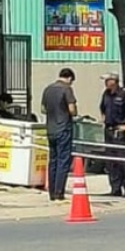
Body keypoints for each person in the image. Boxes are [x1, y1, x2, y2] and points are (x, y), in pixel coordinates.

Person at [41, 68, 79, 202]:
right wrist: (73, 113)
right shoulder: (66, 89)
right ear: (70, 78)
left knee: (53, 160)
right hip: (63, 129)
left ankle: (52, 192)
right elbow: (72, 109)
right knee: (63, 161)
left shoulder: (48, 89)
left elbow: (43, 109)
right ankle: (59, 192)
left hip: (50, 129)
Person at [99, 74, 125, 197]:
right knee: (111, 161)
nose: (105, 83)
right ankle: (115, 188)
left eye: (107, 80)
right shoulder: (106, 94)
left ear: (114, 81)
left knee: (122, 161)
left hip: (119, 130)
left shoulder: (124, 93)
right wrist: (103, 119)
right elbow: (102, 108)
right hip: (108, 130)